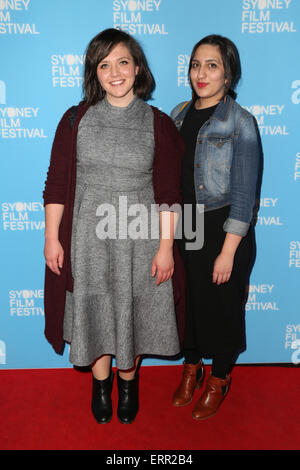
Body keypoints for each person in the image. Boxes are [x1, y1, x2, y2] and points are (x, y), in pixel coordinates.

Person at [43, 28, 185, 424]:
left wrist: (165, 247)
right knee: (97, 312)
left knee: (133, 313)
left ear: (137, 68)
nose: (115, 72)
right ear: (95, 73)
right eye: (104, 65)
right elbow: (56, 182)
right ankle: (100, 385)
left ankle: (128, 383)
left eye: (123, 62)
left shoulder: (158, 124)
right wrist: (52, 237)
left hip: (141, 237)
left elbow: (170, 192)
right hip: (87, 238)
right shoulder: (76, 119)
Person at [170, 35, 262, 420]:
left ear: (228, 74)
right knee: (187, 303)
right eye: (195, 64)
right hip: (185, 224)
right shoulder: (176, 114)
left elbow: (244, 194)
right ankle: (192, 366)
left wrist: (228, 251)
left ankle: (220, 377)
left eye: (212, 65)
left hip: (224, 228)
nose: (201, 73)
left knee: (223, 308)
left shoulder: (240, 121)